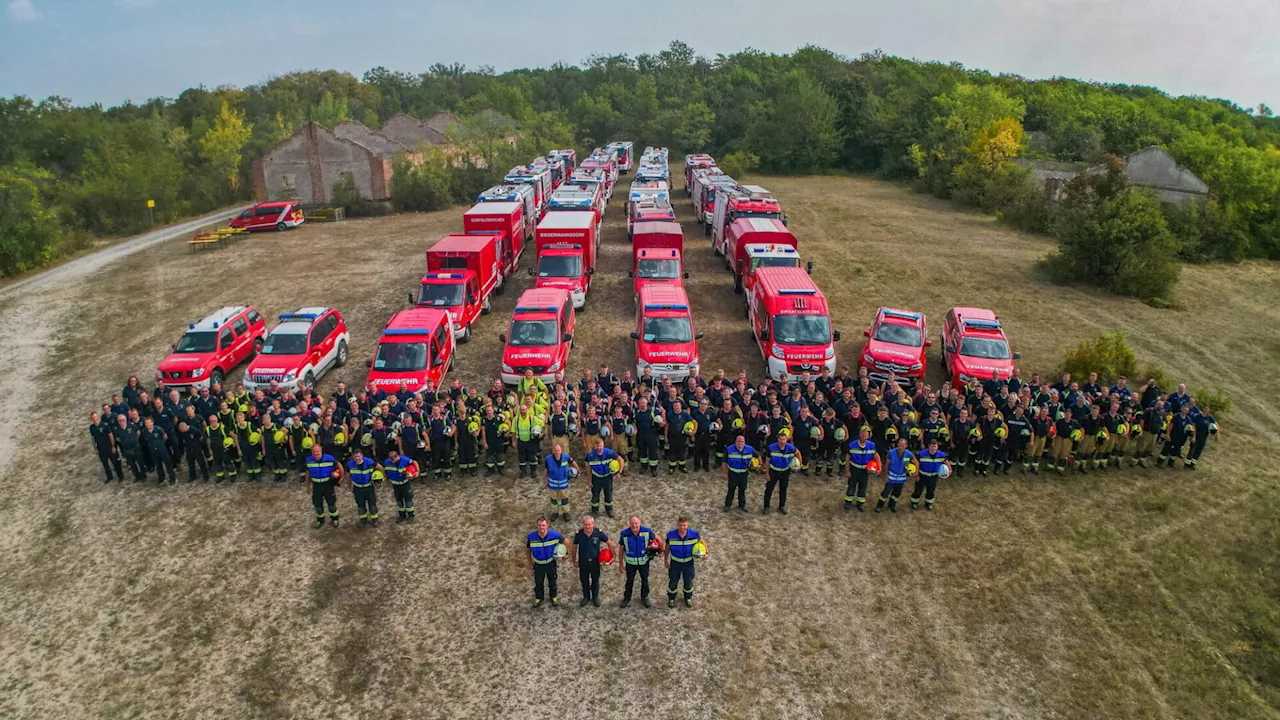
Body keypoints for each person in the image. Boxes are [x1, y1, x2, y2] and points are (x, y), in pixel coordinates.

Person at [569, 515, 614, 607]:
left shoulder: (599, 533)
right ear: (583, 525)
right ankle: (586, 597)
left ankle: (595, 597)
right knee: (584, 580)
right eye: (585, 525)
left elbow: (609, 543)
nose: (587, 527)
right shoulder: (579, 534)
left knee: (595, 580)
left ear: (593, 524)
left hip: (595, 562)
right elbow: (574, 547)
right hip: (583, 562)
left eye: (589, 524)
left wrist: (613, 556)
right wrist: (574, 560)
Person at [618, 515, 658, 608]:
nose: (634, 526)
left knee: (645, 580)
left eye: (636, 523)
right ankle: (627, 598)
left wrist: (661, 549)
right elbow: (621, 549)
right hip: (630, 564)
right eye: (632, 524)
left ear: (640, 523)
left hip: (644, 562)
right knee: (629, 581)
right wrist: (620, 564)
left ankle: (644, 597)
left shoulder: (647, 532)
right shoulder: (624, 534)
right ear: (629, 524)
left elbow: (657, 539)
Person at [664, 516, 702, 608]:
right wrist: (665, 560)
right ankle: (671, 598)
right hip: (675, 563)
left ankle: (688, 598)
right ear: (677, 524)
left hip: (688, 563)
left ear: (687, 525)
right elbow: (667, 548)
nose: (682, 527)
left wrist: (706, 553)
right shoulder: (671, 535)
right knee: (673, 581)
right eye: (680, 525)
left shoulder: (694, 534)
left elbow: (701, 542)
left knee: (688, 582)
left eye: (684, 525)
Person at [525, 517, 562, 608]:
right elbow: (527, 550)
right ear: (536, 526)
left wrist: (566, 554)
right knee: (538, 583)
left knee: (552, 581)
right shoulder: (531, 537)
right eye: (539, 525)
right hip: (538, 565)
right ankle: (539, 598)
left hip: (551, 564)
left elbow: (566, 542)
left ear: (547, 526)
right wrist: (530, 563)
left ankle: (553, 597)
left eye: (543, 525)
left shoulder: (554, 535)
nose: (541, 527)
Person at [764, 429, 799, 515]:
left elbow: (798, 453)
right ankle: (766, 507)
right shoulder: (771, 448)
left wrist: (800, 465)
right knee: (769, 489)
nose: (782, 441)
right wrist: (767, 473)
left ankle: (782, 506)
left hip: (785, 472)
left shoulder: (791, 448)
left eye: (784, 439)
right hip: (773, 471)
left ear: (786, 439)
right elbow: (767, 461)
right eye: (780, 439)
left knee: (783, 490)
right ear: (778, 439)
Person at [585, 438, 622, 519]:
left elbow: (620, 459)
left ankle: (609, 510)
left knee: (608, 494)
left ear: (603, 445)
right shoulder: (590, 456)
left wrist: (619, 472)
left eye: (601, 446)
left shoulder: (609, 453)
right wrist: (589, 480)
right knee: (595, 495)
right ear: (594, 446)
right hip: (596, 478)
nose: (599, 448)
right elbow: (588, 469)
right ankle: (594, 511)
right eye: (597, 446)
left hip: (607, 478)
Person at [306, 444, 341, 528]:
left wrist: (341, 477)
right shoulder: (309, 460)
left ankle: (335, 519)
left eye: (317, 451)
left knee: (331, 504)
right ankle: (320, 520)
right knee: (317, 505)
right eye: (314, 452)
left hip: (327, 485)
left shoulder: (329, 458)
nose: (316, 453)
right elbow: (308, 473)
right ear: (312, 452)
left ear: (321, 451)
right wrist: (307, 485)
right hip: (316, 485)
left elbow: (339, 465)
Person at [876, 437, 914, 513]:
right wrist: (885, 475)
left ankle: (892, 505)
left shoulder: (909, 454)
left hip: (901, 477)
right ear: (897, 444)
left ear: (906, 446)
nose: (901, 447)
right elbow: (886, 465)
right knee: (886, 492)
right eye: (899, 445)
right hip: (891, 476)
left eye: (903, 445)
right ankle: (879, 506)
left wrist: (914, 472)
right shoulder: (891, 452)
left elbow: (916, 462)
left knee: (897, 493)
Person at [911, 438, 950, 511]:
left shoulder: (941, 455)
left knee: (931, 490)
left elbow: (945, 461)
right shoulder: (921, 454)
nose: (934, 448)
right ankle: (914, 502)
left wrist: (950, 469)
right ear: (929, 446)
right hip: (922, 476)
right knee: (918, 490)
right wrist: (916, 474)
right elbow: (916, 462)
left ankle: (928, 503)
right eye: (932, 446)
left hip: (933, 477)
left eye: (935, 446)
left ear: (937, 447)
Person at [543, 443, 579, 521]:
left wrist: (578, 471)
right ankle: (554, 513)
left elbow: (573, 463)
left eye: (558, 450)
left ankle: (566, 513)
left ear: (561, 450)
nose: (557, 452)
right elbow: (545, 471)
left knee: (565, 499)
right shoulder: (548, 459)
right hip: (553, 484)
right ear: (553, 451)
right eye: (556, 450)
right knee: (553, 499)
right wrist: (544, 481)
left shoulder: (566, 457)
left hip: (563, 484)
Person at [846, 427, 877, 512]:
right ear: (859, 435)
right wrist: (847, 470)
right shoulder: (852, 445)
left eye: (865, 436)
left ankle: (860, 503)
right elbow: (847, 458)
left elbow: (876, 456)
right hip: (854, 469)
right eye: (862, 435)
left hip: (864, 471)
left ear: (868, 436)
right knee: (851, 486)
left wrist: (879, 467)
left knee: (863, 487)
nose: (864, 437)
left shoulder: (872, 446)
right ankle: (848, 502)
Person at [346, 448, 379, 526]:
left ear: (362, 455)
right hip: (357, 488)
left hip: (369, 487)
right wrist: (349, 485)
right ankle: (363, 520)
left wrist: (382, 476)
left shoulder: (369, 462)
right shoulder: (349, 464)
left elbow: (379, 467)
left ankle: (375, 520)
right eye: (355, 457)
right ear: (353, 456)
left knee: (372, 504)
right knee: (360, 505)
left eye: (358, 456)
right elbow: (348, 475)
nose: (357, 458)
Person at [381, 449, 415, 522]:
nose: (392, 462)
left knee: (408, 500)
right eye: (391, 460)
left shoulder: (405, 460)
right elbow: (386, 470)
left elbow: (414, 463)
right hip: (395, 485)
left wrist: (416, 472)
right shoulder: (387, 462)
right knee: (399, 500)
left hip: (405, 484)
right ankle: (401, 515)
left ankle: (410, 515)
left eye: (394, 460)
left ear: (397, 457)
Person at [89, 412, 123, 482]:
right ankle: (109, 477)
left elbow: (110, 435)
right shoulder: (92, 427)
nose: (94, 419)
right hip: (100, 448)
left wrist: (113, 446)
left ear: (97, 417)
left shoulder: (104, 425)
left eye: (95, 417)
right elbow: (93, 438)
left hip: (109, 447)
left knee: (115, 462)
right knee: (105, 464)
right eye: (93, 418)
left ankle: (120, 476)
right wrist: (95, 448)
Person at [141, 416, 176, 485]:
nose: (147, 424)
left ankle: (172, 478)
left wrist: (161, 444)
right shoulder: (144, 431)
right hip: (153, 451)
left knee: (168, 464)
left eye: (149, 423)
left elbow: (165, 437)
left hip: (162, 449)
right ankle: (161, 478)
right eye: (146, 423)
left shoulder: (158, 429)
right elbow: (145, 440)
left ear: (152, 423)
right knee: (158, 466)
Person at [723, 435, 754, 512]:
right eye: (738, 441)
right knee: (731, 489)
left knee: (742, 490)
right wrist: (725, 473)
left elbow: (758, 456)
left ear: (744, 442)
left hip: (744, 474)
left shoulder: (750, 449)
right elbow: (724, 462)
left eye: (742, 441)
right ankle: (728, 505)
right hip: (733, 474)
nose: (740, 443)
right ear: (735, 442)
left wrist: (758, 465)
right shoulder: (729, 449)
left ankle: (742, 505)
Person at [111, 413, 145, 482]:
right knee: (132, 465)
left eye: (123, 420)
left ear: (126, 420)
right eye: (120, 420)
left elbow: (138, 432)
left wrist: (135, 440)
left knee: (140, 463)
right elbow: (117, 438)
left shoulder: (132, 426)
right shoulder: (117, 429)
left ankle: (143, 476)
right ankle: (137, 476)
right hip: (126, 449)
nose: (121, 421)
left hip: (135, 447)